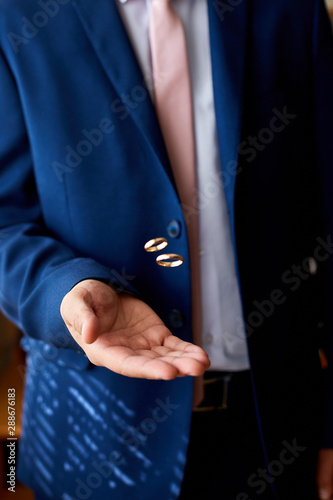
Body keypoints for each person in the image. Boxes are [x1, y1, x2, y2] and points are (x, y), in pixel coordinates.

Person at [0, 0, 333, 498]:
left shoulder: (292, 10)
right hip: (95, 429)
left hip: (271, 426)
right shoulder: (15, 15)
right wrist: (66, 291)